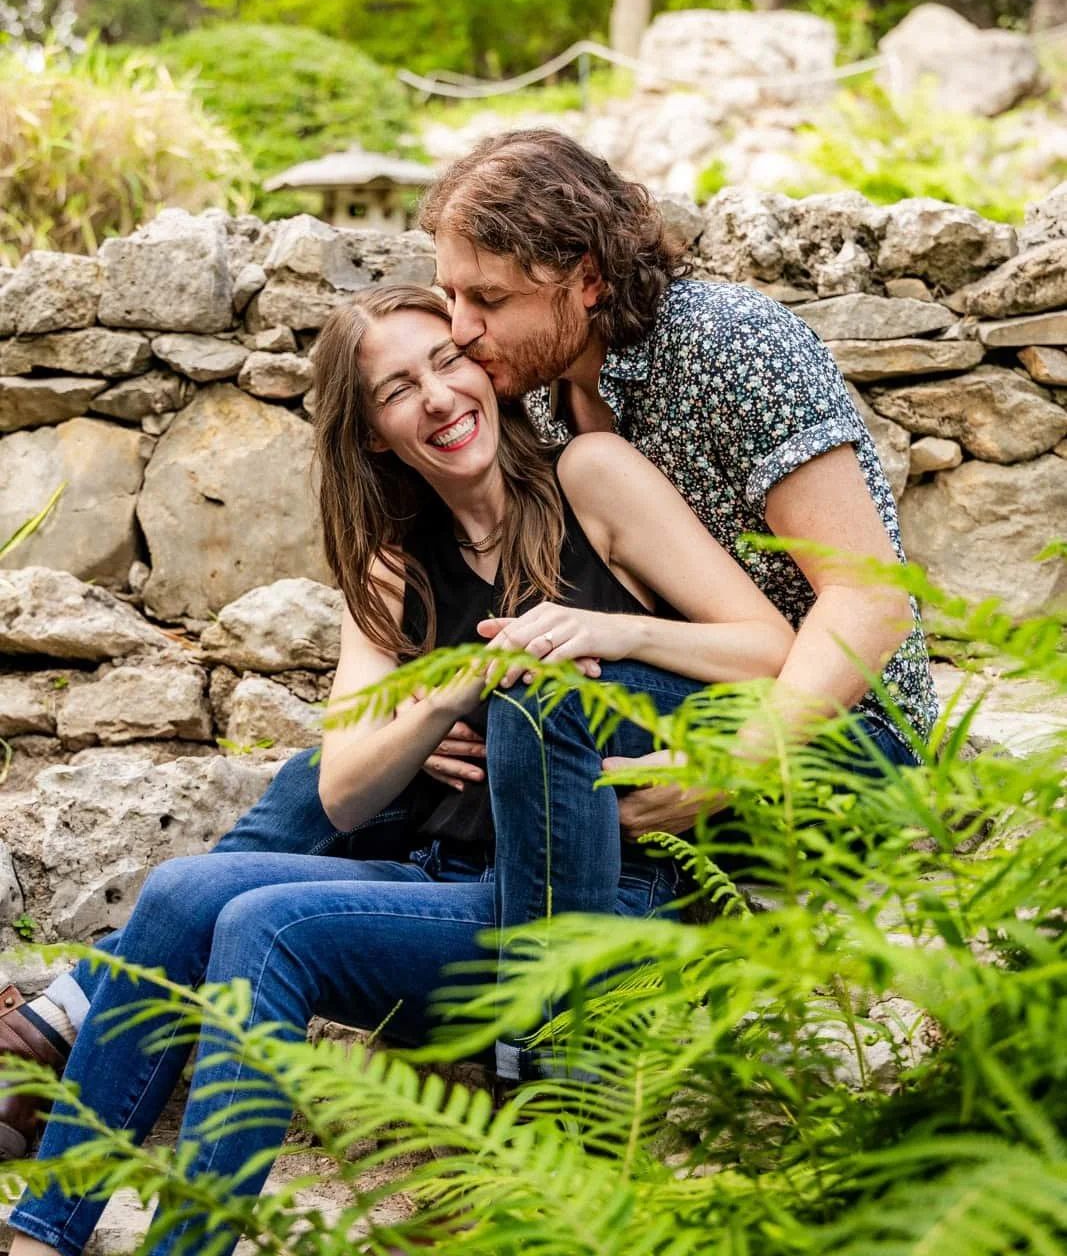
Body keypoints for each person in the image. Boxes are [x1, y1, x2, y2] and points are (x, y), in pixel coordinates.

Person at [0, 124, 935, 1147]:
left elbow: (865, 604)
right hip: (648, 694)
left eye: (481, 301)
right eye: (452, 298)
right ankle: (99, 1008)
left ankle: (553, 1073)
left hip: (823, 729)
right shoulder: (540, 380)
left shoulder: (728, 344)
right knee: (383, 746)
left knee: (534, 690)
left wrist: (727, 764)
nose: (462, 329)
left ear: (582, 277)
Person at [6, 282, 800, 1256]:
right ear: (374, 433)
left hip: (602, 892)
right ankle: (44, 1232)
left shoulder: (591, 477)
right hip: (444, 884)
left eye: (447, 360)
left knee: (269, 924)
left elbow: (770, 646)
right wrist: (447, 693)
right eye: (395, 389)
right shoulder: (390, 561)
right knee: (180, 890)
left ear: (487, 367)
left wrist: (604, 626)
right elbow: (342, 787)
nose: (435, 396)